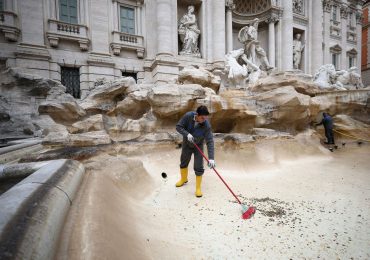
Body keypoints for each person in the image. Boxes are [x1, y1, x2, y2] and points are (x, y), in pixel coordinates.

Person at [175, 105, 215, 197]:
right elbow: (178, 127)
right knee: (183, 162)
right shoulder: (188, 116)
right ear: (197, 114)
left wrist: (211, 158)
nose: (204, 120)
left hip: (198, 146)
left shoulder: (206, 125)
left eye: (205, 118)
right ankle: (183, 179)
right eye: (202, 117)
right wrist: (187, 134)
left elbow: (210, 141)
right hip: (187, 144)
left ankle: (198, 188)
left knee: (198, 166)